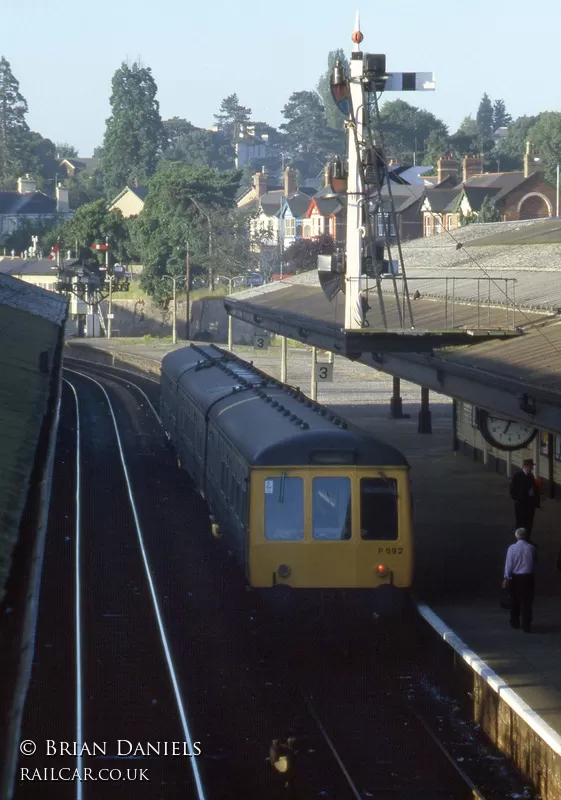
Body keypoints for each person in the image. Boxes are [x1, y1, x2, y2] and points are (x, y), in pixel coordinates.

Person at [503, 528, 537, 633]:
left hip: (516, 578)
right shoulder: (532, 548)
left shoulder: (512, 548)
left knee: (515, 600)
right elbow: (535, 562)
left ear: (516, 536)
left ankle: (515, 622)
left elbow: (509, 564)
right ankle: (527, 625)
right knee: (527, 602)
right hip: (528, 577)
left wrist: (506, 577)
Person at [510, 458, 540, 536]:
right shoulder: (518, 476)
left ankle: (527, 539)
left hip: (530, 505)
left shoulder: (530, 476)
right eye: (531, 466)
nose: (532, 468)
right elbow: (512, 490)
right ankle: (519, 540)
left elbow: (534, 489)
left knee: (529, 523)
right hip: (521, 505)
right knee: (520, 523)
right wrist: (518, 499)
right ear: (526, 466)